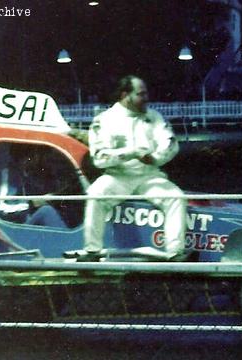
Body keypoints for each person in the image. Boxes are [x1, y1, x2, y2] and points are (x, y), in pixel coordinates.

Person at [80, 75, 187, 261]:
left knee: (176, 197)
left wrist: (154, 158)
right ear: (125, 95)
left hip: (150, 176)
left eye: (146, 94)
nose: (146, 98)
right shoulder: (104, 120)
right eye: (141, 94)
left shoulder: (154, 117)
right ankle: (92, 251)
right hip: (118, 176)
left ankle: (175, 252)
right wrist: (131, 153)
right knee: (95, 194)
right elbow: (99, 158)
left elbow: (170, 144)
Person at [0, 149, 67, 228]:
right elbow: (2, 207)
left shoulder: (27, 174)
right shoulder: (8, 174)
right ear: (24, 158)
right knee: (47, 211)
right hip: (13, 225)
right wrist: (31, 203)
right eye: (32, 156)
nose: (35, 160)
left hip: (27, 219)